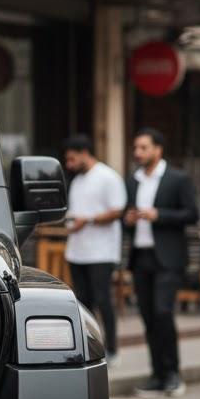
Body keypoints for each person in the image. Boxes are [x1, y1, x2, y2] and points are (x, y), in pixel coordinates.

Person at [123, 128, 199, 398]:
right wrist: (128, 220)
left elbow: (192, 214)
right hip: (141, 256)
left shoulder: (177, 178)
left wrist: (159, 215)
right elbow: (126, 215)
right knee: (148, 317)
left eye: (143, 148)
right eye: (136, 148)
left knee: (163, 312)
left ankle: (173, 373)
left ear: (158, 149)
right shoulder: (133, 181)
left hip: (168, 257)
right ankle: (156, 374)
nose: (138, 153)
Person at [62, 135, 126, 366]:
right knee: (82, 302)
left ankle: (112, 349)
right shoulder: (77, 180)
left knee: (102, 299)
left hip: (102, 251)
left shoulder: (108, 177)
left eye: (71, 159)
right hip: (77, 250)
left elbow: (118, 210)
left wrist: (86, 220)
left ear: (84, 153)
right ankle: (88, 349)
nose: (68, 165)